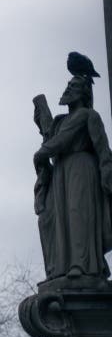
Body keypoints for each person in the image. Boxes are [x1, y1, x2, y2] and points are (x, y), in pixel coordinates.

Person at [33, 74, 112, 281]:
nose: (68, 89)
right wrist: (41, 110)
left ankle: (82, 264)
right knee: (54, 217)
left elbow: (102, 149)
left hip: (81, 168)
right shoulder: (61, 121)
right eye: (68, 84)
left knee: (78, 213)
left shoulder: (88, 116)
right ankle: (61, 266)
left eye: (73, 86)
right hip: (60, 171)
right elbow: (52, 138)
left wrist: (107, 176)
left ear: (83, 92)